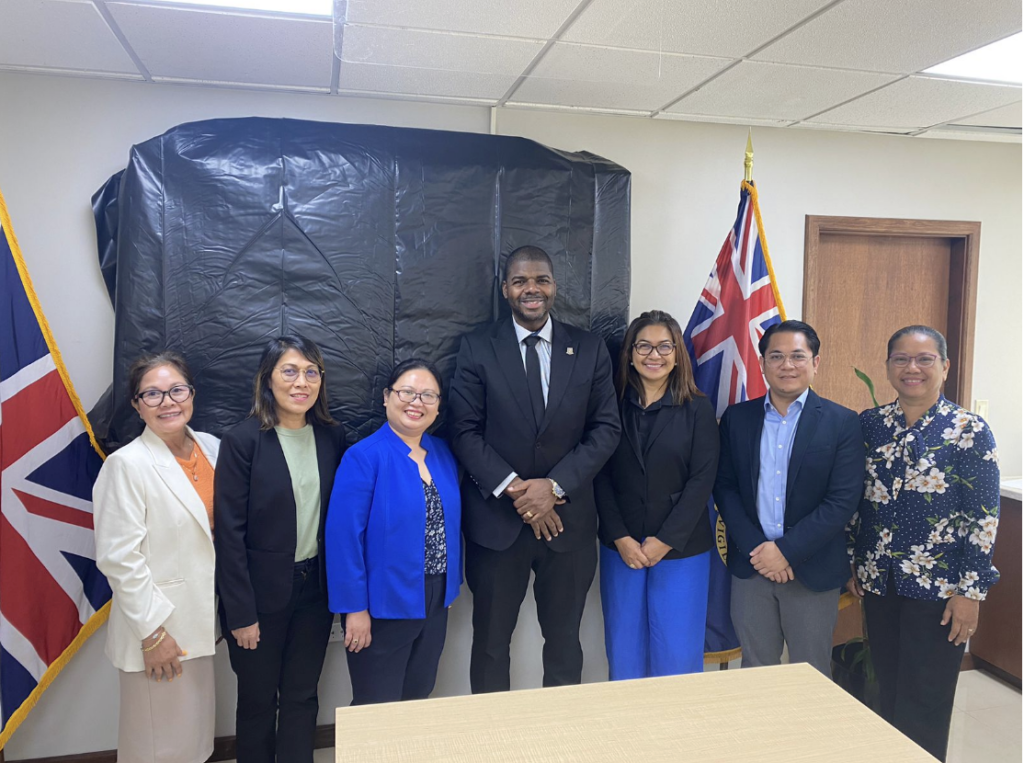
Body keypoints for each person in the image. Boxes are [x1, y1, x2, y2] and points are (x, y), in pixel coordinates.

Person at [449, 244, 620, 693]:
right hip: (497, 526)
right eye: (521, 281)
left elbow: (605, 429)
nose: (532, 289)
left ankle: (559, 743)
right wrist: (519, 491)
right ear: (505, 289)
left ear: (554, 287)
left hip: (569, 525)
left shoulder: (588, 348)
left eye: (541, 279)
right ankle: (492, 744)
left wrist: (555, 487)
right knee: (489, 644)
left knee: (565, 643)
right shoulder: (476, 347)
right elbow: (464, 431)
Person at [846, 325, 999, 762]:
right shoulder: (871, 426)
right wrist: (854, 560)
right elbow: (858, 501)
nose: (912, 368)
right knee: (887, 687)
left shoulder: (968, 430)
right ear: (889, 366)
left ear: (945, 366)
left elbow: (982, 519)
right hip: (880, 582)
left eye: (924, 359)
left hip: (940, 590)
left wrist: (971, 593)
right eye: (901, 359)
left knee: (926, 699)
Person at [214, 336, 346, 763]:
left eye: (311, 372)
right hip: (258, 598)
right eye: (289, 371)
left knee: (302, 697)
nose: (301, 382)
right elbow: (229, 536)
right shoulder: (242, 441)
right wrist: (241, 614)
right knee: (257, 703)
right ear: (267, 380)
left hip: (314, 593)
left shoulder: (331, 437)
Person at [713, 319, 862, 676]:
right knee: (756, 668)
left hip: (811, 567)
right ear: (762, 363)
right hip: (752, 566)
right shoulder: (737, 418)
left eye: (798, 356)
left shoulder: (842, 422)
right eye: (776, 356)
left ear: (815, 362)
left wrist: (785, 551)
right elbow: (725, 487)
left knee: (810, 673)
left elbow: (841, 501)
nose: (787, 365)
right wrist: (760, 551)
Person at [93, 352, 219, 763]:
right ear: (136, 404)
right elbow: (118, 559)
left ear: (192, 394)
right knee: (156, 748)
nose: (168, 401)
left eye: (176, 390)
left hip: (201, 622)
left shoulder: (213, 449)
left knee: (193, 742)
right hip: (159, 631)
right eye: (152, 393)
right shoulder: (126, 465)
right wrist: (153, 634)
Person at [326, 359, 461, 704]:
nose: (417, 402)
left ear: (438, 406)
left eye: (428, 395)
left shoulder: (442, 453)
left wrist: (448, 590)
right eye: (407, 392)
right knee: (377, 704)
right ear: (387, 397)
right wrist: (354, 610)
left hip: (435, 600)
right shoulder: (363, 457)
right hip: (381, 605)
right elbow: (344, 541)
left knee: (418, 695)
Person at [595, 310, 719, 679]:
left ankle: (675, 735)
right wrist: (621, 538)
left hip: (681, 549)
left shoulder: (698, 408)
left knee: (677, 657)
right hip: (622, 548)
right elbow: (598, 476)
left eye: (665, 346)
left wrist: (664, 541)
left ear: (678, 353)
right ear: (630, 354)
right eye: (644, 346)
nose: (654, 354)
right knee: (624, 653)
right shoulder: (608, 406)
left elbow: (702, 480)